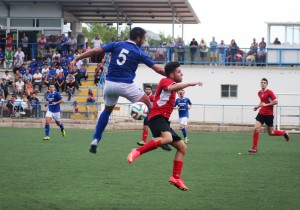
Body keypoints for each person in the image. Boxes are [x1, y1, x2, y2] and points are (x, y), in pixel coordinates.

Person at [70, 27, 165, 154]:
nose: (144, 41)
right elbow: (158, 69)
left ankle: (95, 140)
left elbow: (96, 50)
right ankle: (156, 137)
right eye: (143, 38)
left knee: (107, 111)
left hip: (109, 85)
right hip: (126, 85)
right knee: (150, 106)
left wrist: (77, 59)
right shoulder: (139, 52)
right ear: (138, 38)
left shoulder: (116, 44)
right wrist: (171, 75)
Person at [127, 61, 202, 191]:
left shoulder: (172, 86)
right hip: (156, 117)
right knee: (167, 138)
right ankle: (137, 151)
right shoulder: (165, 81)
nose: (182, 73)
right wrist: (190, 83)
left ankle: (176, 177)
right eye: (179, 72)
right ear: (172, 75)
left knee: (182, 147)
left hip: (163, 120)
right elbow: (172, 88)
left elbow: (172, 90)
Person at [248, 78, 290, 153]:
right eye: (261, 82)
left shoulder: (270, 92)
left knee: (271, 133)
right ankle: (254, 148)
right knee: (256, 129)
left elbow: (276, 102)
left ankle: (284, 133)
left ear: (267, 84)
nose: (262, 84)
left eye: (264, 83)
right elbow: (262, 101)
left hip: (269, 115)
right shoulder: (259, 93)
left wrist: (266, 104)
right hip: (261, 113)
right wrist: (257, 107)